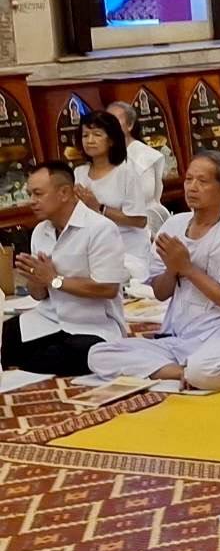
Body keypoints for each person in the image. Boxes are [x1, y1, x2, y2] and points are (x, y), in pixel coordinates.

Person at [87, 153, 220, 391]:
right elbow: (160, 293)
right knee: (98, 354)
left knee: (205, 371)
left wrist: (187, 268)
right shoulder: (174, 225)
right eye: (189, 180)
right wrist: (172, 269)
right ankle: (182, 372)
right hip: (182, 334)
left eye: (203, 181)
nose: (192, 187)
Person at [3, 164, 127, 375]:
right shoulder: (40, 231)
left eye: (38, 194)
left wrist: (54, 279)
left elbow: (107, 288)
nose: (32, 201)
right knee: (6, 336)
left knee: (62, 356)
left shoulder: (100, 229)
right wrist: (35, 279)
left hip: (92, 325)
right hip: (49, 319)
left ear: (64, 193)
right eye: (30, 194)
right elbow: (39, 295)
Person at [72, 110, 151, 276]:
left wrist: (99, 208)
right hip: (91, 247)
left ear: (112, 140)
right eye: (85, 135)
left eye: (97, 134)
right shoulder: (79, 173)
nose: (90, 141)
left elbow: (139, 221)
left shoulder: (126, 173)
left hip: (127, 251)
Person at [106, 100, 168, 228]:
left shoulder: (144, 156)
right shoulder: (103, 154)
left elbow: (147, 196)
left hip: (140, 225)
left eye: (115, 120)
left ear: (130, 125)